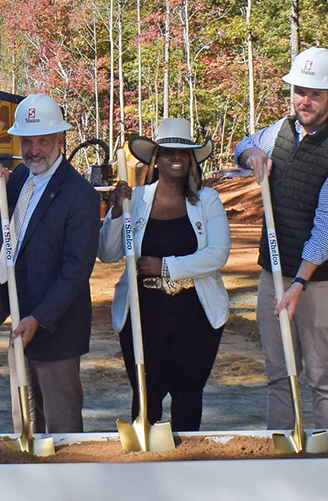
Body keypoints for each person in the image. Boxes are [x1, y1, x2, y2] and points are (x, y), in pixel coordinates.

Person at [232, 47, 328, 431]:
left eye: (315, 94)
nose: (304, 101)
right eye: (299, 91)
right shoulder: (281, 131)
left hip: (321, 281)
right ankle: (283, 454)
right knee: (279, 373)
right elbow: (243, 145)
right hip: (274, 273)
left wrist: (300, 282)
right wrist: (252, 153)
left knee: (323, 379)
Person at [0, 93, 100, 434]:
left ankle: (66, 472)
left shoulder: (80, 196)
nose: (34, 150)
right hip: (19, 318)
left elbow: (76, 272)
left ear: (60, 138)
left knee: (61, 425)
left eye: (43, 141)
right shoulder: (18, 178)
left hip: (55, 327)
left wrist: (39, 318)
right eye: (27, 142)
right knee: (25, 422)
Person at [99, 117, 230, 431]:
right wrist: (116, 212)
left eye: (184, 152)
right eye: (169, 152)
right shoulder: (135, 200)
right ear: (156, 159)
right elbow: (108, 253)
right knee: (146, 396)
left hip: (195, 314)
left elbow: (218, 254)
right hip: (143, 313)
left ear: (192, 160)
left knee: (188, 395)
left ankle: (188, 457)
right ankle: (145, 457)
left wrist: (166, 267)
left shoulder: (208, 201)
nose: (177, 158)